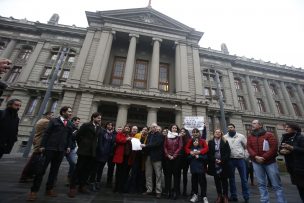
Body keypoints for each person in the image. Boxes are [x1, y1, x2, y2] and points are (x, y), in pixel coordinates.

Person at [27, 106, 73, 201]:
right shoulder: (54, 121)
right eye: (69, 112)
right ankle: (34, 192)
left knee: (54, 171)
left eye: (71, 112)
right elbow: (46, 133)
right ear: (63, 112)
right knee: (41, 171)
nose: (70, 113)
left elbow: (69, 137)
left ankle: (49, 189)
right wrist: (42, 146)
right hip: (49, 149)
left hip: (60, 150)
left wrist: (68, 146)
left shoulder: (69, 123)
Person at [247, 119, 287, 203]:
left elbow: (274, 148)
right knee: (261, 184)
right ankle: (264, 201)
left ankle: (281, 201)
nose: (252, 125)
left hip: (269, 162)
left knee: (276, 184)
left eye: (254, 123)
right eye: (252, 123)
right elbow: (249, 147)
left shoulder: (269, 135)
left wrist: (264, 157)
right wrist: (255, 156)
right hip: (256, 162)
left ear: (260, 125)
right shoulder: (250, 136)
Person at [68, 112, 102, 198]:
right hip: (83, 151)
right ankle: (72, 187)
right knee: (78, 169)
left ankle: (82, 186)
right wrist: (83, 144)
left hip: (92, 153)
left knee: (87, 170)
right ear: (93, 118)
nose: (99, 120)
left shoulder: (99, 127)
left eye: (100, 118)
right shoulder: (86, 125)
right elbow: (77, 136)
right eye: (98, 118)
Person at [19, 111, 54, 182]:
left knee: (35, 159)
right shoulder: (46, 122)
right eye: (52, 115)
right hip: (40, 142)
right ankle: (25, 176)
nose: (53, 117)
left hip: (38, 141)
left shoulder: (41, 120)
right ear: (48, 115)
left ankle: (29, 175)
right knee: (34, 160)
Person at [223, 123, 250, 202]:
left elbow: (246, 146)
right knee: (231, 179)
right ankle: (233, 195)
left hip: (240, 159)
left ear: (234, 128)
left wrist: (246, 156)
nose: (230, 129)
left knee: (244, 179)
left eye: (231, 127)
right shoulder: (225, 137)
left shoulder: (241, 136)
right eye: (228, 128)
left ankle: (246, 196)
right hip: (230, 160)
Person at [279, 122, 304, 202]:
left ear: (294, 128)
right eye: (285, 127)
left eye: (288, 127)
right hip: (292, 167)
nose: (285, 128)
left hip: (301, 167)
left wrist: (292, 148)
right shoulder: (285, 137)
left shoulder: (300, 137)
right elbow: (280, 149)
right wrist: (282, 151)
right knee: (300, 188)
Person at [207, 129, 231, 203]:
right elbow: (209, 153)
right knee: (217, 181)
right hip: (214, 164)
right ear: (214, 133)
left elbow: (228, 152)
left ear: (221, 133)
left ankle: (225, 196)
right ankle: (219, 196)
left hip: (223, 164)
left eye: (219, 132)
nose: (217, 133)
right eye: (216, 132)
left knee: (224, 181)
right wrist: (215, 160)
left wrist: (222, 160)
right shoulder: (210, 142)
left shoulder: (225, 141)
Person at [186, 128, 209, 203]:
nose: (195, 133)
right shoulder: (190, 142)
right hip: (193, 167)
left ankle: (204, 196)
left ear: (199, 133)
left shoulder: (202, 141)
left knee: (202, 182)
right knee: (194, 181)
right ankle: (195, 194)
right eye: (193, 132)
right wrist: (191, 153)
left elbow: (206, 152)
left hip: (201, 167)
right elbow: (186, 150)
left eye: (196, 132)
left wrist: (199, 153)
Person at [141, 123, 164, 199]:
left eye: (155, 127)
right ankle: (149, 189)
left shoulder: (160, 135)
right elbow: (147, 143)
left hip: (157, 158)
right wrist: (142, 146)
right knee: (148, 174)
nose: (154, 128)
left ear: (157, 127)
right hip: (148, 156)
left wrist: (146, 146)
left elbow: (157, 144)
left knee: (158, 175)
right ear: (150, 128)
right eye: (152, 127)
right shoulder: (149, 135)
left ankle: (158, 191)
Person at [94, 121, 116, 188]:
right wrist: (101, 150)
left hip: (109, 154)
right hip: (101, 153)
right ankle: (95, 181)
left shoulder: (113, 135)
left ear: (112, 127)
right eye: (108, 125)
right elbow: (100, 142)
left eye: (111, 125)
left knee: (106, 169)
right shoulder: (102, 132)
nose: (110, 126)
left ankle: (103, 182)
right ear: (106, 126)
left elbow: (113, 144)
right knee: (98, 169)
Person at [163, 124, 182, 199]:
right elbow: (164, 146)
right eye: (173, 128)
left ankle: (175, 192)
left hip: (176, 158)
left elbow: (180, 146)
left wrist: (174, 155)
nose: (174, 129)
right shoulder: (166, 136)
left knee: (176, 176)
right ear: (171, 129)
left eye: (175, 128)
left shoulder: (179, 136)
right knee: (168, 175)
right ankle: (168, 191)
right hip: (168, 158)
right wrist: (168, 155)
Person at [112, 124, 132, 193]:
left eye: (129, 128)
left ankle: (122, 188)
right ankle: (116, 187)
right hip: (120, 156)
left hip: (127, 157)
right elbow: (118, 140)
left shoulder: (130, 136)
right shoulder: (120, 134)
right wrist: (126, 139)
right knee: (118, 173)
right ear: (124, 128)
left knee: (125, 173)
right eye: (126, 128)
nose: (127, 129)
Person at [65, 116, 80, 186]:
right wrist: (68, 146)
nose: (78, 123)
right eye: (77, 121)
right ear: (73, 121)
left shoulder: (77, 129)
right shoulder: (70, 127)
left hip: (73, 148)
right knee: (73, 164)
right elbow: (69, 137)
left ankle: (71, 179)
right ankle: (69, 179)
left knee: (73, 164)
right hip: (68, 148)